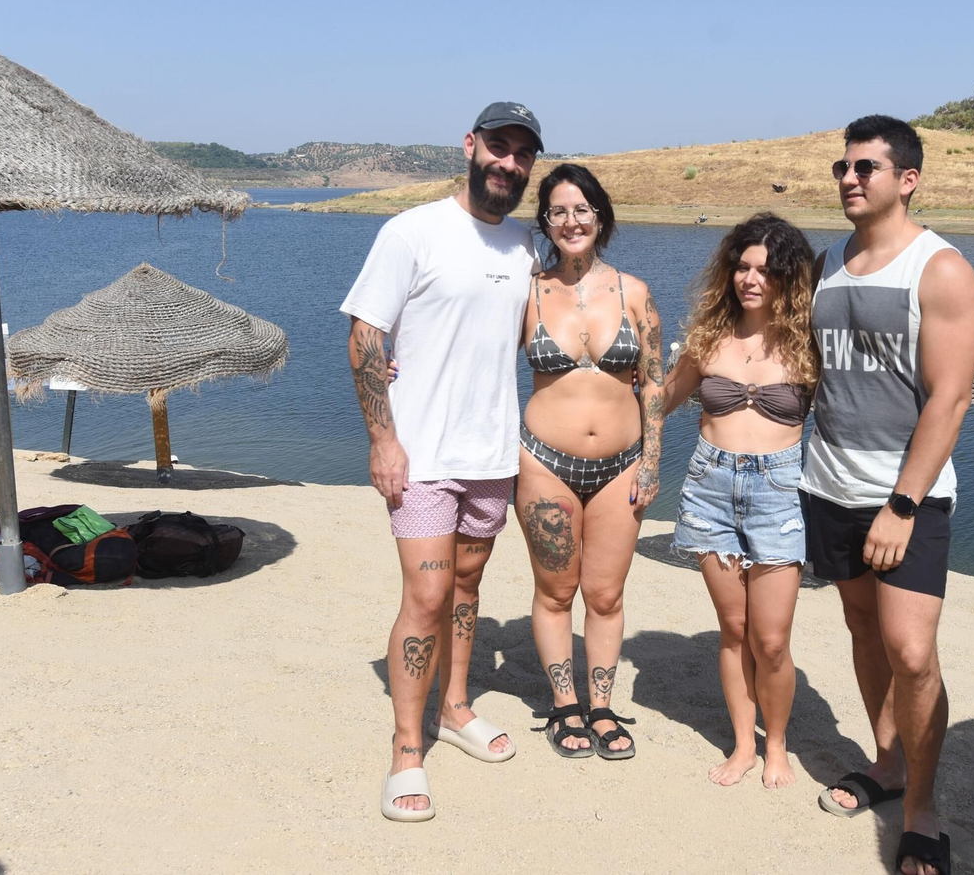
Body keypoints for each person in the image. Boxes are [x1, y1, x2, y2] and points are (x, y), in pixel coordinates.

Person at [341, 102, 544, 822]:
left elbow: (533, 339)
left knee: (465, 587)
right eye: (499, 146)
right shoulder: (412, 231)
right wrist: (382, 438)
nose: (508, 162)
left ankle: (455, 707)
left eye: (522, 154)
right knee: (425, 597)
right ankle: (405, 749)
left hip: (492, 454)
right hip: (421, 455)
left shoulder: (526, 246)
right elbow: (367, 334)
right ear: (470, 145)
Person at [801, 115, 974, 875]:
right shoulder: (826, 265)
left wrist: (902, 506)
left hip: (905, 500)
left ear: (906, 180)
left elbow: (950, 400)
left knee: (912, 652)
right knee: (861, 629)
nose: (850, 178)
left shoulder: (939, 271)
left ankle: (920, 810)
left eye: (867, 168)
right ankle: (885, 763)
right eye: (844, 167)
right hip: (828, 484)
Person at [662, 213, 817, 789]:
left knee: (771, 639)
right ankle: (741, 744)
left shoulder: (810, 342)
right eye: (742, 267)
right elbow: (661, 398)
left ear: (787, 277)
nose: (751, 279)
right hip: (710, 488)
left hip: (780, 493)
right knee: (733, 628)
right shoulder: (709, 336)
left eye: (765, 270)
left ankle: (776, 745)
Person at [515, 163, 663, 760]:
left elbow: (653, 383)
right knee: (555, 592)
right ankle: (563, 706)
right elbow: (473, 358)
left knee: (605, 595)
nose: (571, 221)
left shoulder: (635, 292)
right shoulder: (525, 292)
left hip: (621, 465)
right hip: (544, 462)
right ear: (546, 222)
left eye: (582, 210)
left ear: (600, 217)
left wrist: (652, 459)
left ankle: (600, 707)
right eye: (558, 212)